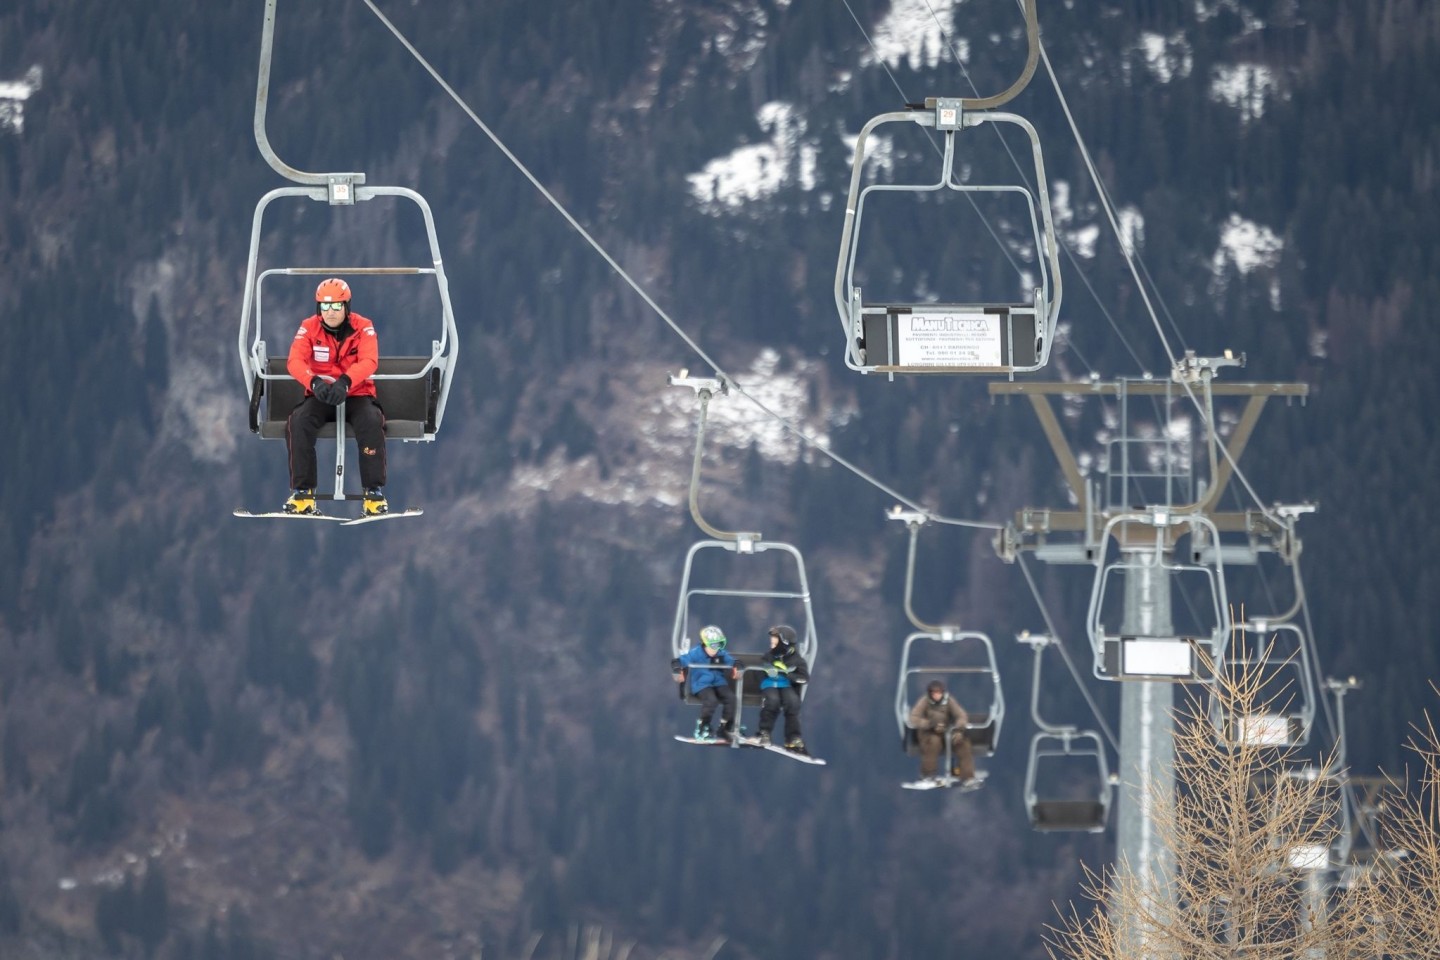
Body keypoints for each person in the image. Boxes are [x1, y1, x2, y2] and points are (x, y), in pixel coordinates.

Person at [283, 278, 388, 516]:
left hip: (356, 393)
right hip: (321, 393)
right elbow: (295, 361)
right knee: (299, 421)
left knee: (371, 421)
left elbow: (369, 360)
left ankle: (373, 493)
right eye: (325, 307)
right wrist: (313, 381)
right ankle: (303, 493)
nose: (331, 313)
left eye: (337, 306)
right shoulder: (309, 327)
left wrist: (347, 381)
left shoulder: (363, 327)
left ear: (347, 306)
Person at [671, 625, 740, 741]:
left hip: (718, 683)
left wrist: (737, 665)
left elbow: (732, 661)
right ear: (705, 644)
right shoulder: (696, 653)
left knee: (731, 698)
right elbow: (681, 660)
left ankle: (725, 726)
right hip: (702, 684)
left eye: (719, 644)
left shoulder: (720, 654)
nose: (715, 649)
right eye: (713, 645)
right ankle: (703, 726)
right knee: (711, 700)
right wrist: (677, 667)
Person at [908, 679, 975, 783]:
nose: (937, 695)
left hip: (946, 732)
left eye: (939, 693)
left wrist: (958, 729)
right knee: (933, 743)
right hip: (928, 733)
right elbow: (913, 718)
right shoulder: (924, 702)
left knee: (962, 743)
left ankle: (967, 777)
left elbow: (961, 715)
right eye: (934, 693)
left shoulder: (949, 701)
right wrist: (929, 724)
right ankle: (927, 775)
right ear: (930, 693)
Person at [756, 624, 810, 755]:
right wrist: (767, 671)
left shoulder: (796, 660)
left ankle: (793, 737)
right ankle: (764, 732)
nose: (771, 646)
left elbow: (804, 677)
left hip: (786, 684)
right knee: (772, 701)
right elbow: (759, 670)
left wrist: (788, 674)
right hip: (770, 684)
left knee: (792, 702)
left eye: (775, 643)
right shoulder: (769, 656)